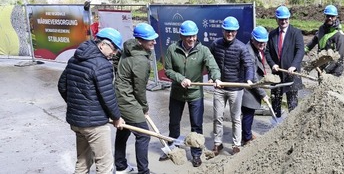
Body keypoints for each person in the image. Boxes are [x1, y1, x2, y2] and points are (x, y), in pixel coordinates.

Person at [57, 27, 125, 174]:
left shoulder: (75, 58)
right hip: (95, 125)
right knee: (105, 165)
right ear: (103, 45)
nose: (114, 54)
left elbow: (62, 86)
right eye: (114, 50)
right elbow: (108, 96)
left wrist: (76, 105)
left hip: (77, 122)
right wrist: (117, 117)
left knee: (82, 162)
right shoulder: (102, 65)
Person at [162, 20, 221, 167]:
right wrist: (180, 78)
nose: (192, 39)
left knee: (196, 125)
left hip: (195, 94)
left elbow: (212, 66)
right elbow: (168, 70)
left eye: (194, 36)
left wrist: (216, 77)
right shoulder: (172, 49)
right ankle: (172, 149)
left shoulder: (203, 50)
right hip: (177, 93)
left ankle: (196, 154)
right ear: (181, 36)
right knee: (174, 123)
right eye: (188, 36)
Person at [113, 23, 158, 174]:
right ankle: (144, 171)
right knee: (144, 135)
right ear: (140, 41)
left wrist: (120, 76)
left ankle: (120, 165)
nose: (154, 42)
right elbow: (140, 90)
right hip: (127, 99)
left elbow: (115, 61)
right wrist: (144, 108)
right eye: (150, 39)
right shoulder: (140, 61)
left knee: (124, 128)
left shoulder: (128, 46)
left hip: (119, 94)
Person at [209, 16, 254, 155]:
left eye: (232, 31)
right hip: (220, 87)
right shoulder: (216, 44)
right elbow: (209, 61)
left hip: (235, 88)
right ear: (223, 30)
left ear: (236, 31)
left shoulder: (241, 47)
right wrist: (212, 77)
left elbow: (249, 65)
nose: (230, 34)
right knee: (217, 117)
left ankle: (236, 145)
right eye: (227, 31)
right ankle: (218, 143)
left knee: (235, 118)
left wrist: (249, 79)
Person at [265, 6, 305, 118]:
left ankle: (292, 129)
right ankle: (275, 126)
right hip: (277, 76)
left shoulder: (296, 33)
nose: (284, 21)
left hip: (291, 76)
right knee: (275, 104)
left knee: (292, 106)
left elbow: (300, 51)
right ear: (276, 19)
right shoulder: (272, 34)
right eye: (281, 19)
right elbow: (267, 52)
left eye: (286, 19)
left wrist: (294, 66)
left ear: (289, 18)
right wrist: (272, 64)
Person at [241, 26, 271, 146]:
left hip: (253, 86)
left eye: (264, 43)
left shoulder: (255, 48)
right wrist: (263, 94)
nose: (262, 45)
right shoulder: (249, 52)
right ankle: (246, 138)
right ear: (253, 39)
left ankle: (247, 133)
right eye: (260, 42)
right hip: (248, 87)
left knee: (250, 112)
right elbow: (252, 76)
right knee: (248, 112)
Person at [305, 5, 344, 76]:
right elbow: (313, 41)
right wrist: (305, 49)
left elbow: (339, 57)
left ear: (336, 17)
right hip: (321, 66)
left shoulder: (339, 35)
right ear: (325, 16)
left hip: (334, 70)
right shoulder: (321, 29)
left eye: (332, 16)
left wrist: (326, 71)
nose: (330, 18)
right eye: (328, 16)